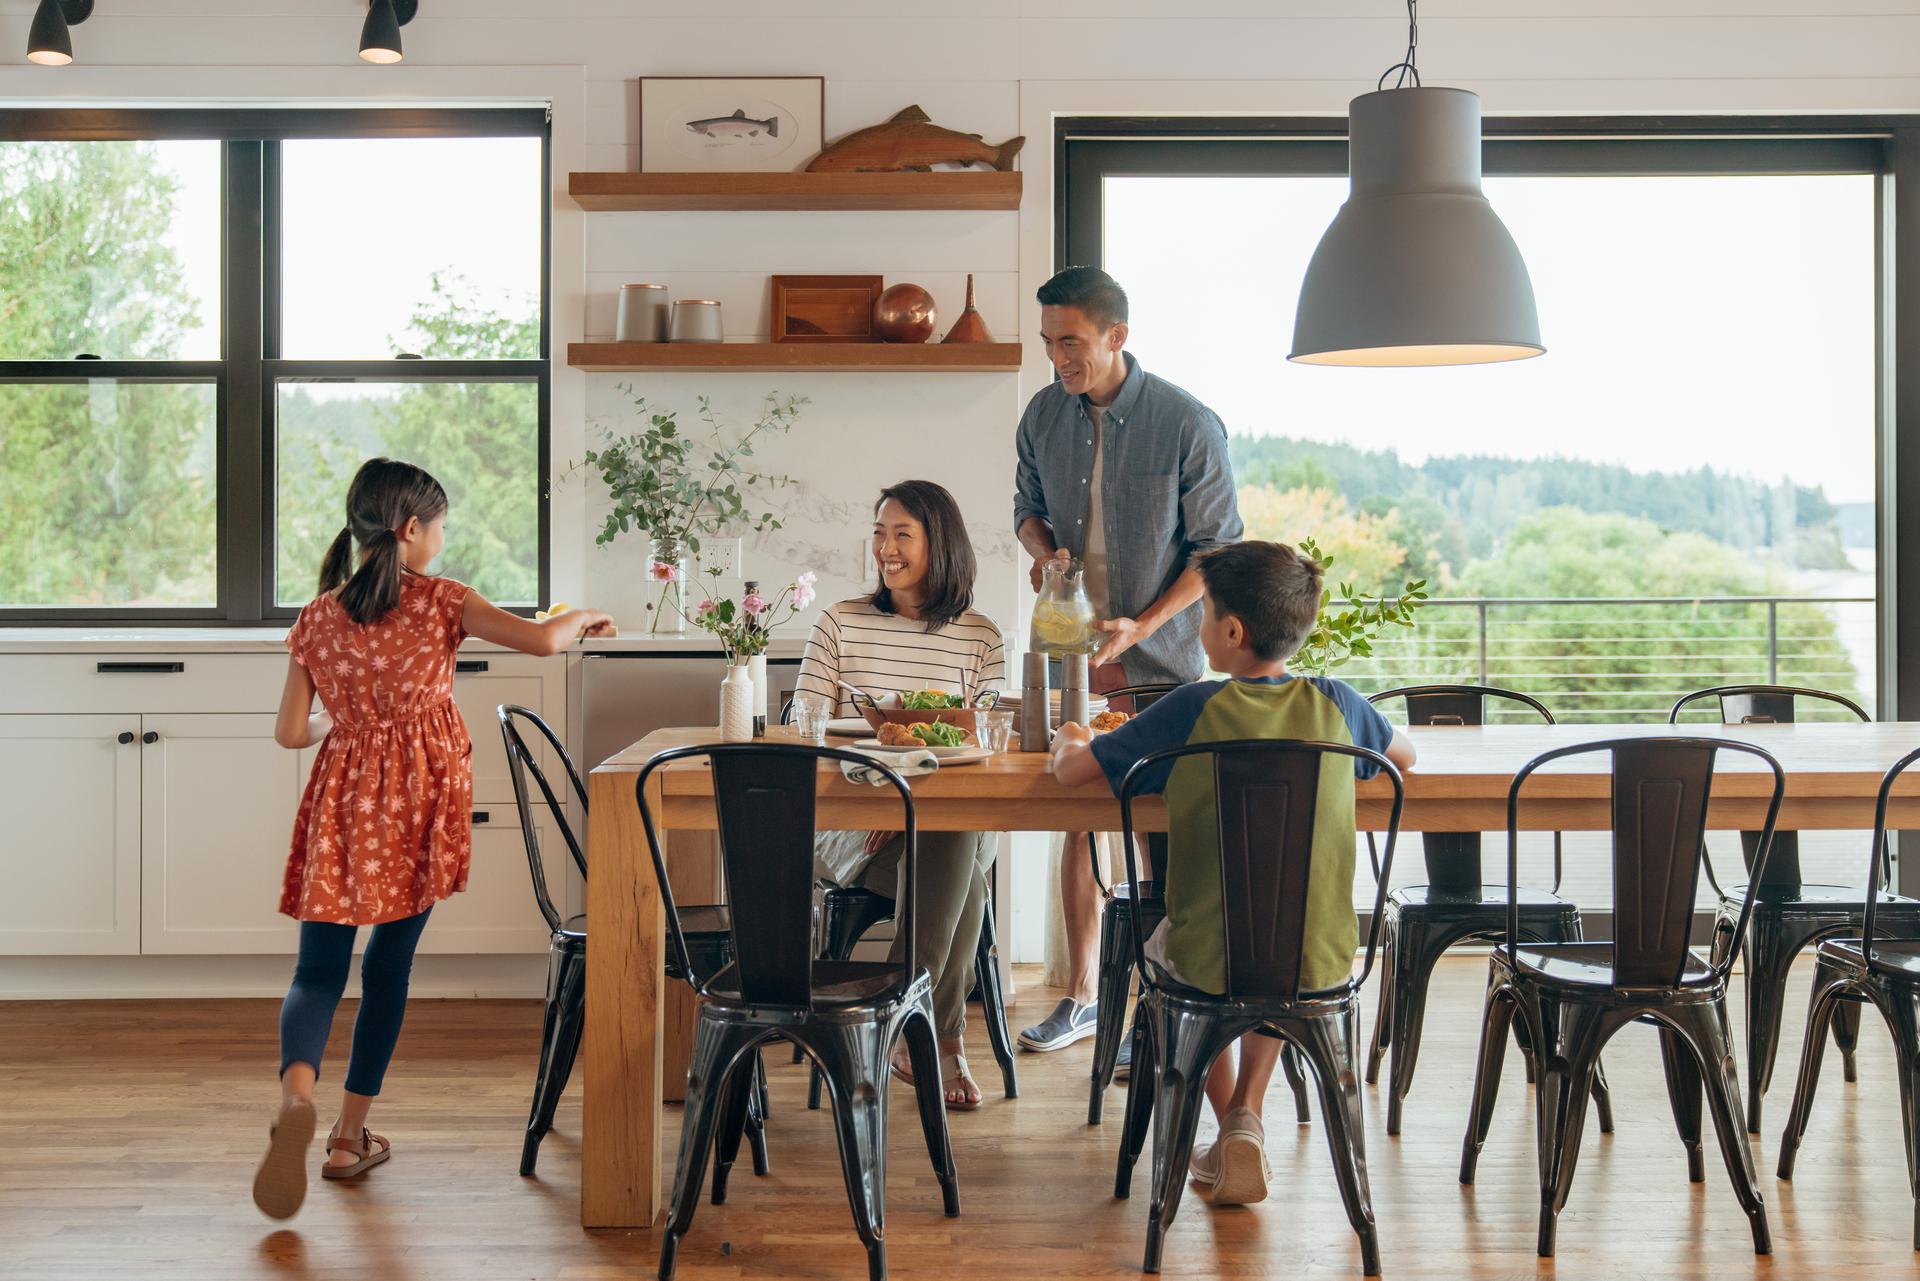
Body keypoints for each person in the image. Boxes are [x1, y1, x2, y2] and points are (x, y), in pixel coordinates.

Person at [252, 457, 616, 1220]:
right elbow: (544, 642)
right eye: (440, 525)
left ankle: (296, 1096)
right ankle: (349, 1137)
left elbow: (290, 732)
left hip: (343, 802)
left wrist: (337, 723)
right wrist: (580, 616)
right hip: (416, 805)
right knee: (388, 965)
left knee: (317, 971)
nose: (443, 539)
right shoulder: (444, 601)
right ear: (410, 529)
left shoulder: (318, 616)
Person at [1051, 540, 1415, 1207]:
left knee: (1198, 954)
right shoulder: (1339, 704)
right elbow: (1406, 755)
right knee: (1275, 946)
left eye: (1204, 613)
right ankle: (1246, 1115)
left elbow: (1075, 773)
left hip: (1205, 956)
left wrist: (1070, 737)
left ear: (1232, 631)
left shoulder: (1191, 708)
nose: (1196, 627)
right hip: (1324, 959)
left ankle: (1230, 1124)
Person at [1012, 265, 1243, 1061]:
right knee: (1077, 815)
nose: (1057, 360)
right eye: (1048, 343)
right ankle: (1080, 997)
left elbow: (1217, 552)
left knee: (1163, 829)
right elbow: (1026, 511)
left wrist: (1139, 623)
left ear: (1118, 335)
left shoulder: (1187, 422)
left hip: (1161, 663)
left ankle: (1164, 999)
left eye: (1070, 342)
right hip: (1069, 652)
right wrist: (1047, 556)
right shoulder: (1043, 414)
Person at [796, 480, 1006, 1110]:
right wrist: (877, 799)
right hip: (848, 823)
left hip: (941, 820)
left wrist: (909, 804)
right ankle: (937, 1041)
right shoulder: (840, 622)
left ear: (940, 543)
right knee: (959, 848)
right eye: (879, 532)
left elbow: (983, 749)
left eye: (901, 534)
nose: (884, 548)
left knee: (951, 828)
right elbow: (804, 726)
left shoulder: (981, 637)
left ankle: (896, 1029)